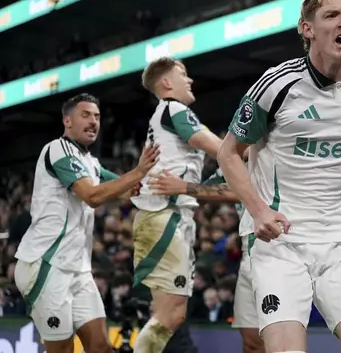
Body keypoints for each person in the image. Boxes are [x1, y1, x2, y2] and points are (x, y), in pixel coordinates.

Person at [217, 0, 341, 353]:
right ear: (308, 29)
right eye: (332, 15)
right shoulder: (277, 85)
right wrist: (259, 210)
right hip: (278, 239)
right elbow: (228, 152)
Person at [13, 93, 159, 353]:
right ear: (67, 120)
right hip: (46, 265)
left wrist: (163, 183)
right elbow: (93, 196)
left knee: (101, 347)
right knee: (63, 350)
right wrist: (137, 171)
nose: (93, 121)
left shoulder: (91, 162)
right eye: (86, 115)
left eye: (97, 116)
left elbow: (128, 190)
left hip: (77, 270)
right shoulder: (58, 149)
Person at [130, 57, 224, 353]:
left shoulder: (161, 119)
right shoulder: (174, 109)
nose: (190, 80)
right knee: (170, 316)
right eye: (183, 74)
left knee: (169, 316)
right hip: (164, 215)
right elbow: (219, 148)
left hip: (166, 215)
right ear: (167, 83)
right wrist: (255, 150)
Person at [148, 163, 264, 353]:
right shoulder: (231, 161)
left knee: (279, 338)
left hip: (279, 256)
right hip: (249, 259)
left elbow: (243, 193)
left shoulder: (273, 152)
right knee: (251, 343)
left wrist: (184, 187)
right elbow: (204, 191)